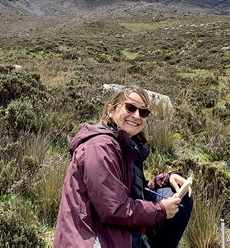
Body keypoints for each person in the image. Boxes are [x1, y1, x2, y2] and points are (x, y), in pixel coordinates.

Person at [54, 86, 193, 248]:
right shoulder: (100, 147)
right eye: (130, 107)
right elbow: (113, 209)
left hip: (111, 229)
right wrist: (161, 211)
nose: (136, 115)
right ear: (110, 110)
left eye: (143, 112)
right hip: (92, 239)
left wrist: (164, 180)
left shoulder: (122, 145)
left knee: (180, 197)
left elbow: (127, 191)